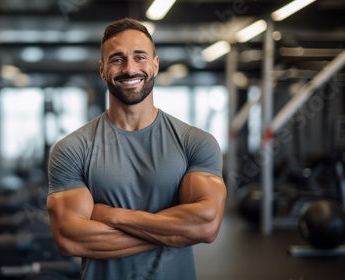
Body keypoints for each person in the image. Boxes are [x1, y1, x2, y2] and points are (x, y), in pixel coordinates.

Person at [47, 17, 227, 280]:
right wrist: (175, 233)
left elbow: (205, 225)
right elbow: (70, 239)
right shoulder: (72, 149)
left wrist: (113, 216)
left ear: (155, 65)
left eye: (140, 57)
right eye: (117, 59)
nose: (130, 69)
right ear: (102, 69)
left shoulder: (195, 142)